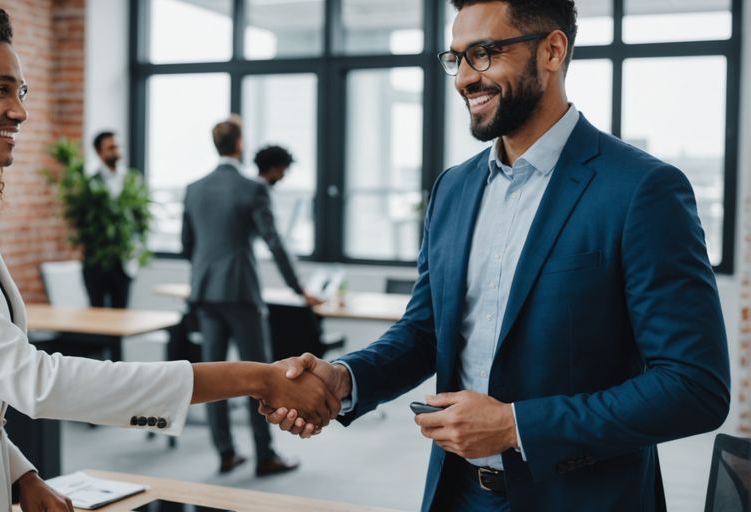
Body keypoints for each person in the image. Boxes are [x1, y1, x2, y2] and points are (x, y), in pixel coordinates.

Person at [0, 4, 337, 511]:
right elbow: (34, 380)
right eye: (0, 90)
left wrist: (21, 476)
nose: (21, 111)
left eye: (21, 89)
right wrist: (255, 378)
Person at [261, 1, 730, 510]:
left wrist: (514, 426)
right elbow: (425, 332)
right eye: (456, 58)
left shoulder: (641, 189)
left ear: (552, 51)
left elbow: (693, 386)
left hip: (582, 498)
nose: (464, 78)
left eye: (483, 54)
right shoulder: (454, 188)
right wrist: (346, 378)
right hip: (458, 494)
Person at [181, 116, 323, 477]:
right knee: (261, 376)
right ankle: (265, 455)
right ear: (240, 144)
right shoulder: (252, 189)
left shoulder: (194, 188)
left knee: (209, 376)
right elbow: (275, 244)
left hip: (205, 293)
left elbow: (188, 245)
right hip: (241, 294)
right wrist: (299, 289)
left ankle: (226, 452)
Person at [81, 131, 136, 308]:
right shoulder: (89, 183)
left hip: (123, 262)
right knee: (96, 315)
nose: (116, 151)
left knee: (122, 315)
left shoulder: (130, 181)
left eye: (118, 146)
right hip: (96, 261)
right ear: (99, 152)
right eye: (111, 147)